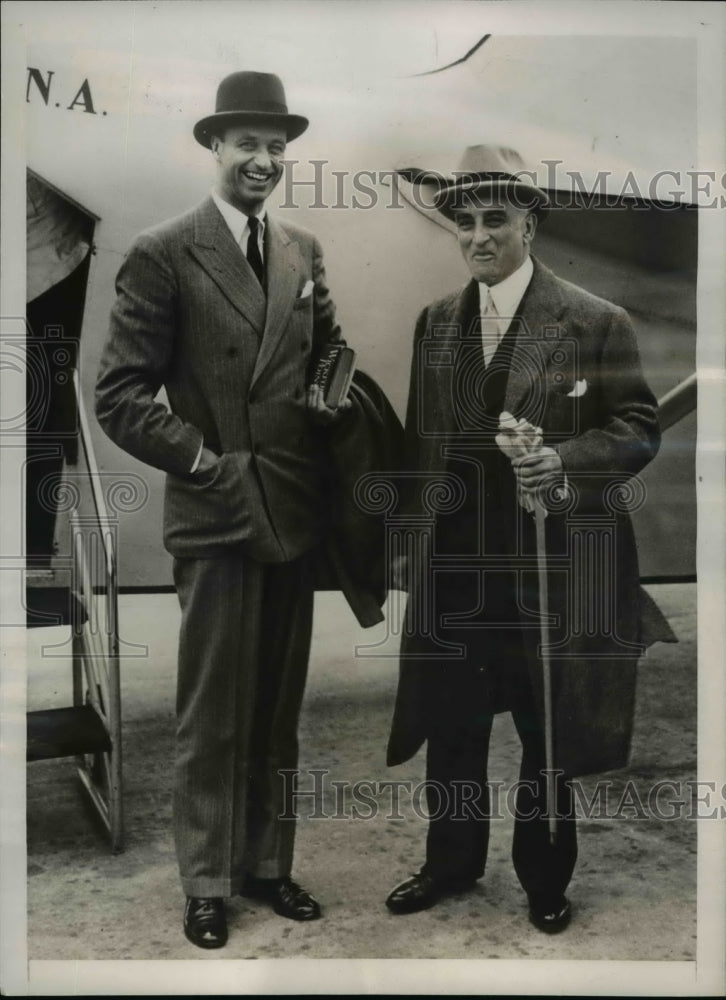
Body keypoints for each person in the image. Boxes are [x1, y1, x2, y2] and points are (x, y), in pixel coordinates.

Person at [384, 145, 674, 932]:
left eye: (496, 220)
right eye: (466, 222)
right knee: (454, 724)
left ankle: (546, 877)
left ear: (530, 225)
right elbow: (421, 444)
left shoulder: (591, 318)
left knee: (549, 730)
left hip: (547, 565)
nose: (479, 236)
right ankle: (449, 864)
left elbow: (638, 426)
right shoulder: (436, 322)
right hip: (457, 569)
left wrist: (563, 460)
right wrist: (409, 547)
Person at [95, 71, 354, 949]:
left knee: (280, 705)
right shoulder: (164, 248)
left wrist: (329, 392)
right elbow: (120, 395)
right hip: (215, 512)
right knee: (211, 713)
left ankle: (268, 867)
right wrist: (203, 458)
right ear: (214, 146)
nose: (265, 159)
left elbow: (332, 347)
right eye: (248, 142)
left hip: (293, 506)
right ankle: (206, 882)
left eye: (278, 146)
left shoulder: (303, 249)